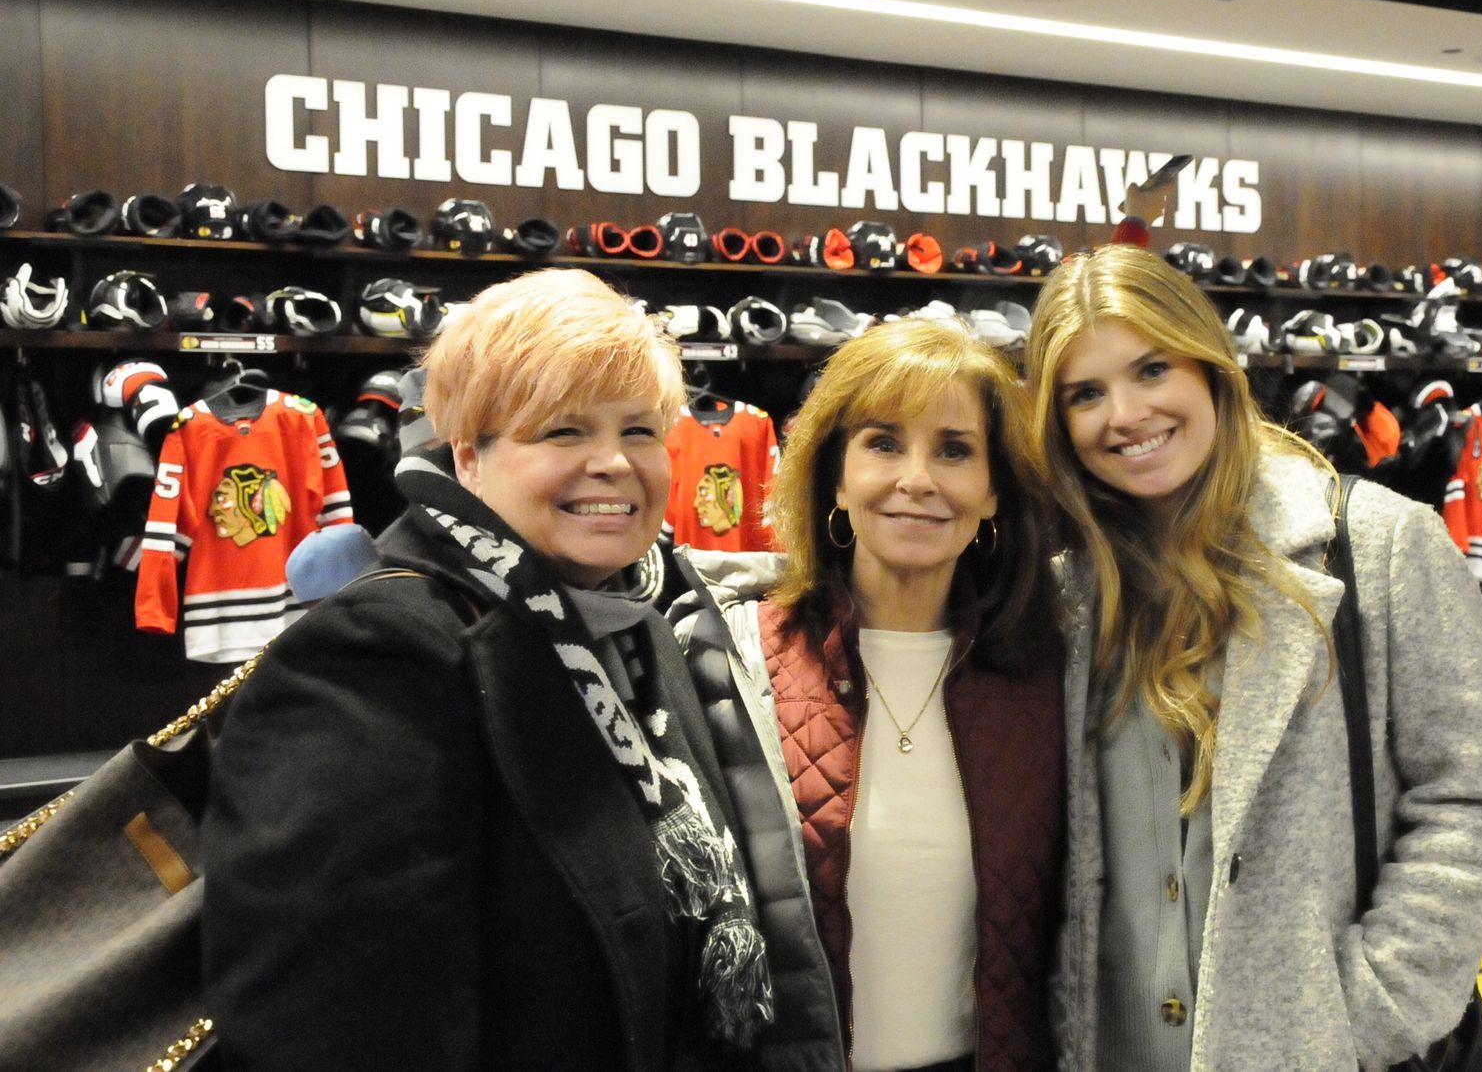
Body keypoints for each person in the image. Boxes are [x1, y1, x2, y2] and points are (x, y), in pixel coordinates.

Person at [203, 268, 837, 1070]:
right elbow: (329, 1022)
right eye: (563, 432)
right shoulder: (381, 658)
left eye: (639, 430)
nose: (612, 462)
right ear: (469, 455)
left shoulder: (640, 617)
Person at [1024, 239, 1482, 1072]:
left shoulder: (1376, 544)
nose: (1124, 413)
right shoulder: (1064, 593)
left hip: (1310, 1046)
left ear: (1211, 368)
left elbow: (1480, 797)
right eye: (1086, 392)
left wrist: (1370, 1010)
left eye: (1151, 369)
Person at [666, 316, 1066, 1072]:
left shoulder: (1044, 677)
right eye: (884, 443)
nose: (917, 478)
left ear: (992, 493)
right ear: (836, 479)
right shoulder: (729, 659)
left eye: (954, 449)